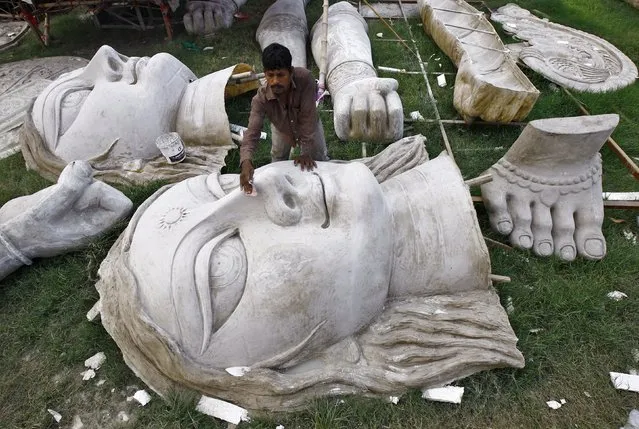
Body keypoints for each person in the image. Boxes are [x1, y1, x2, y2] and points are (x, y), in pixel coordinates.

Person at [239, 43, 328, 195]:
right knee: (278, 160)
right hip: (281, 128)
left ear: (291, 72)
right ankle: (282, 194)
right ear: (265, 74)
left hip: (308, 124)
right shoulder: (260, 99)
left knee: (319, 160)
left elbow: (308, 117)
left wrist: (306, 151)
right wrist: (246, 161)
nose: (275, 81)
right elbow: (252, 133)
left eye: (280, 75)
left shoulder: (305, 79)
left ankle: (322, 193)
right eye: (270, 75)